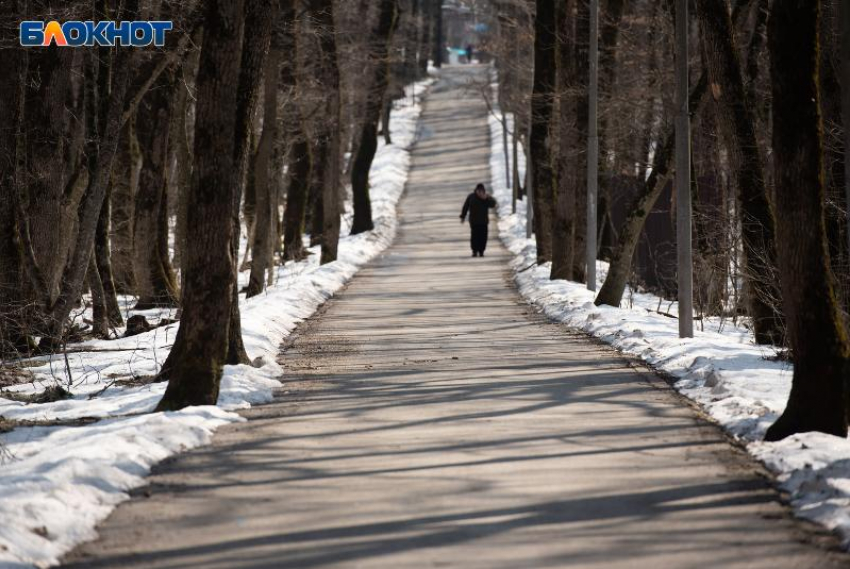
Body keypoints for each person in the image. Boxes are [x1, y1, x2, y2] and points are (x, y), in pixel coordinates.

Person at [460, 183, 497, 257]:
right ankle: (474, 250)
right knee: (474, 237)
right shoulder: (471, 197)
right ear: (476, 190)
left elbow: (493, 204)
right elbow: (465, 207)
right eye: (478, 191)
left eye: (481, 191)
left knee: (483, 237)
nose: (480, 192)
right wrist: (463, 216)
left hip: (483, 222)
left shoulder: (486, 197)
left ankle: (481, 251)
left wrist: (486, 198)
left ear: (484, 191)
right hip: (474, 221)